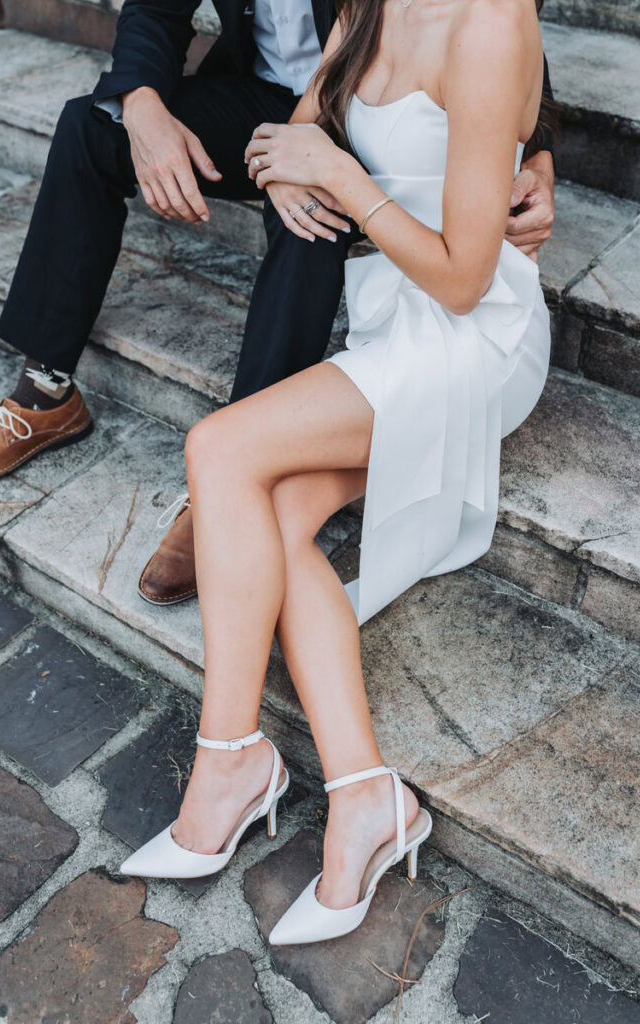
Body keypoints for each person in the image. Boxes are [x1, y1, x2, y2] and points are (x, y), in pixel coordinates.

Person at [118, 0, 553, 946]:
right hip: (395, 317)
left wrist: (346, 183)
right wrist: (284, 174)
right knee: (264, 507)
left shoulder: (489, 22)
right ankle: (365, 794)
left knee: (220, 448)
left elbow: (464, 279)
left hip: (475, 335)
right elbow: (295, 130)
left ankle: (228, 765)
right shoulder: (365, 2)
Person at [0, 0, 555, 594]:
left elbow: (497, 38)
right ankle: (47, 389)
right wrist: (141, 104)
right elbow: (155, 9)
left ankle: (242, 464)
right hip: (271, 102)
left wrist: (537, 156)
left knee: (310, 216)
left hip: (371, 113)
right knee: (90, 122)